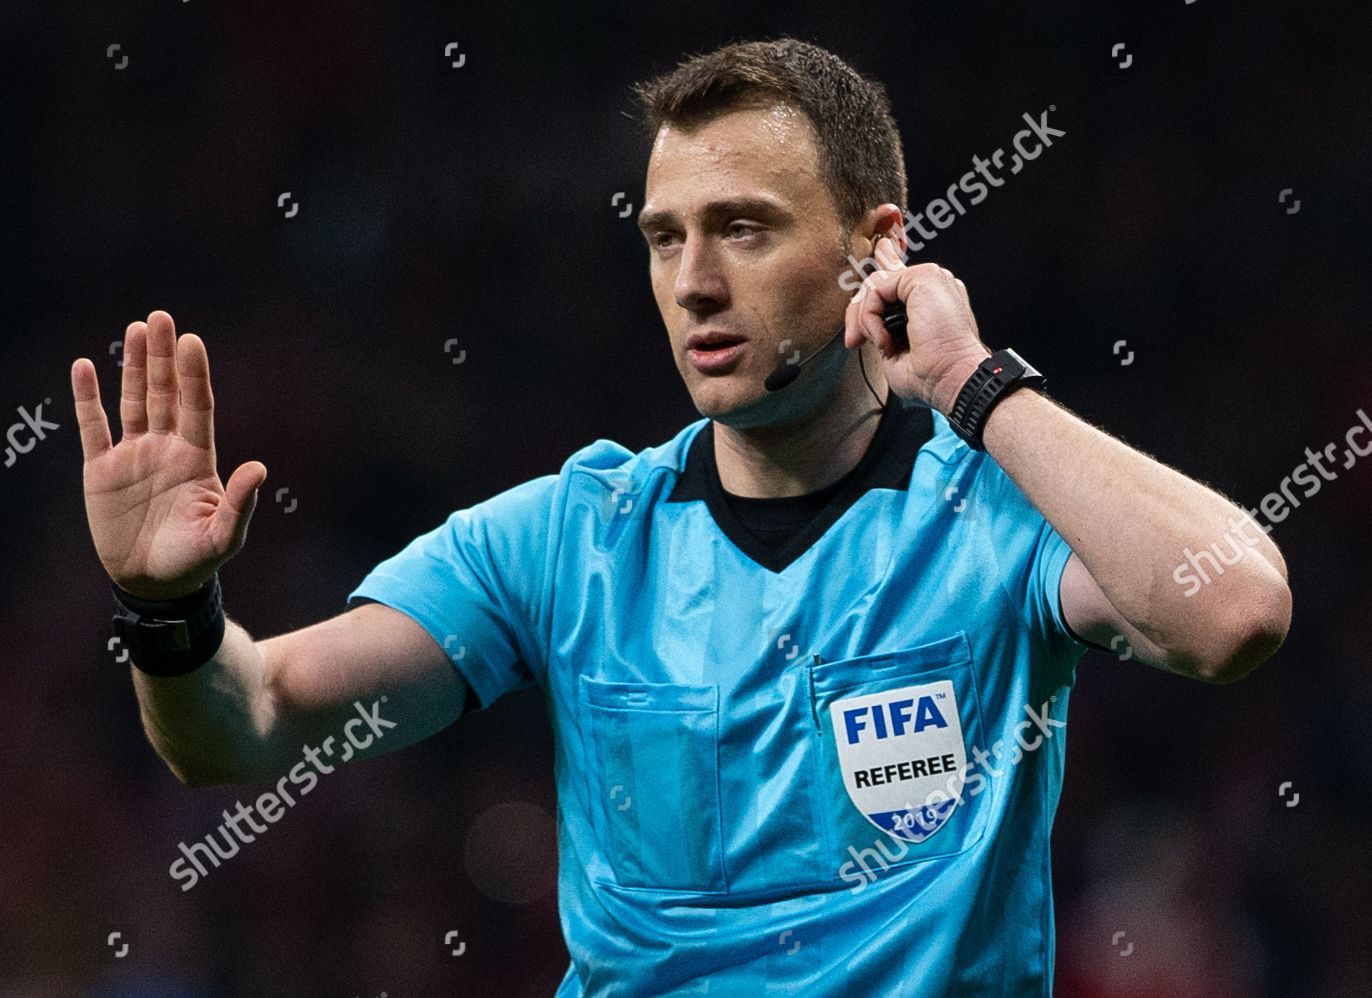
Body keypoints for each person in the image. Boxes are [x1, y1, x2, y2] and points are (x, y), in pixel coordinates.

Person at [69, 36, 1291, 997]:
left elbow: (1235, 611)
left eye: (742, 228)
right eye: (665, 239)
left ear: (877, 250)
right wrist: (169, 605)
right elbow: (246, 725)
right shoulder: (569, 539)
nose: (694, 280)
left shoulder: (991, 522)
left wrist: (975, 387)